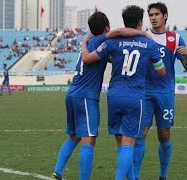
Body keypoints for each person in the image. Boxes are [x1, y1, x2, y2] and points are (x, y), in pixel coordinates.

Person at [50, 11, 151, 180]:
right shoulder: (102, 40)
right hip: (86, 96)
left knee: (74, 136)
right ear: (106, 27)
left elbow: (109, 58)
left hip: (73, 93)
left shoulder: (90, 42)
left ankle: (57, 172)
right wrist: (142, 33)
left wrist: (83, 42)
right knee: (89, 141)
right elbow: (119, 32)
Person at [81, 5, 166, 180]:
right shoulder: (149, 44)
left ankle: (132, 178)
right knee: (129, 144)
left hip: (114, 96)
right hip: (135, 97)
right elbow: (161, 71)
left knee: (121, 143)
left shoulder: (112, 43)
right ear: (141, 22)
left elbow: (92, 58)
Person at [133, 2, 187, 180]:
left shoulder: (176, 39)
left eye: (156, 14)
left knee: (164, 134)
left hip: (165, 93)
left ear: (165, 16)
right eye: (150, 15)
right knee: (140, 134)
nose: (153, 18)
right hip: (144, 93)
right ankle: (135, 176)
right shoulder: (144, 37)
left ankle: (163, 176)